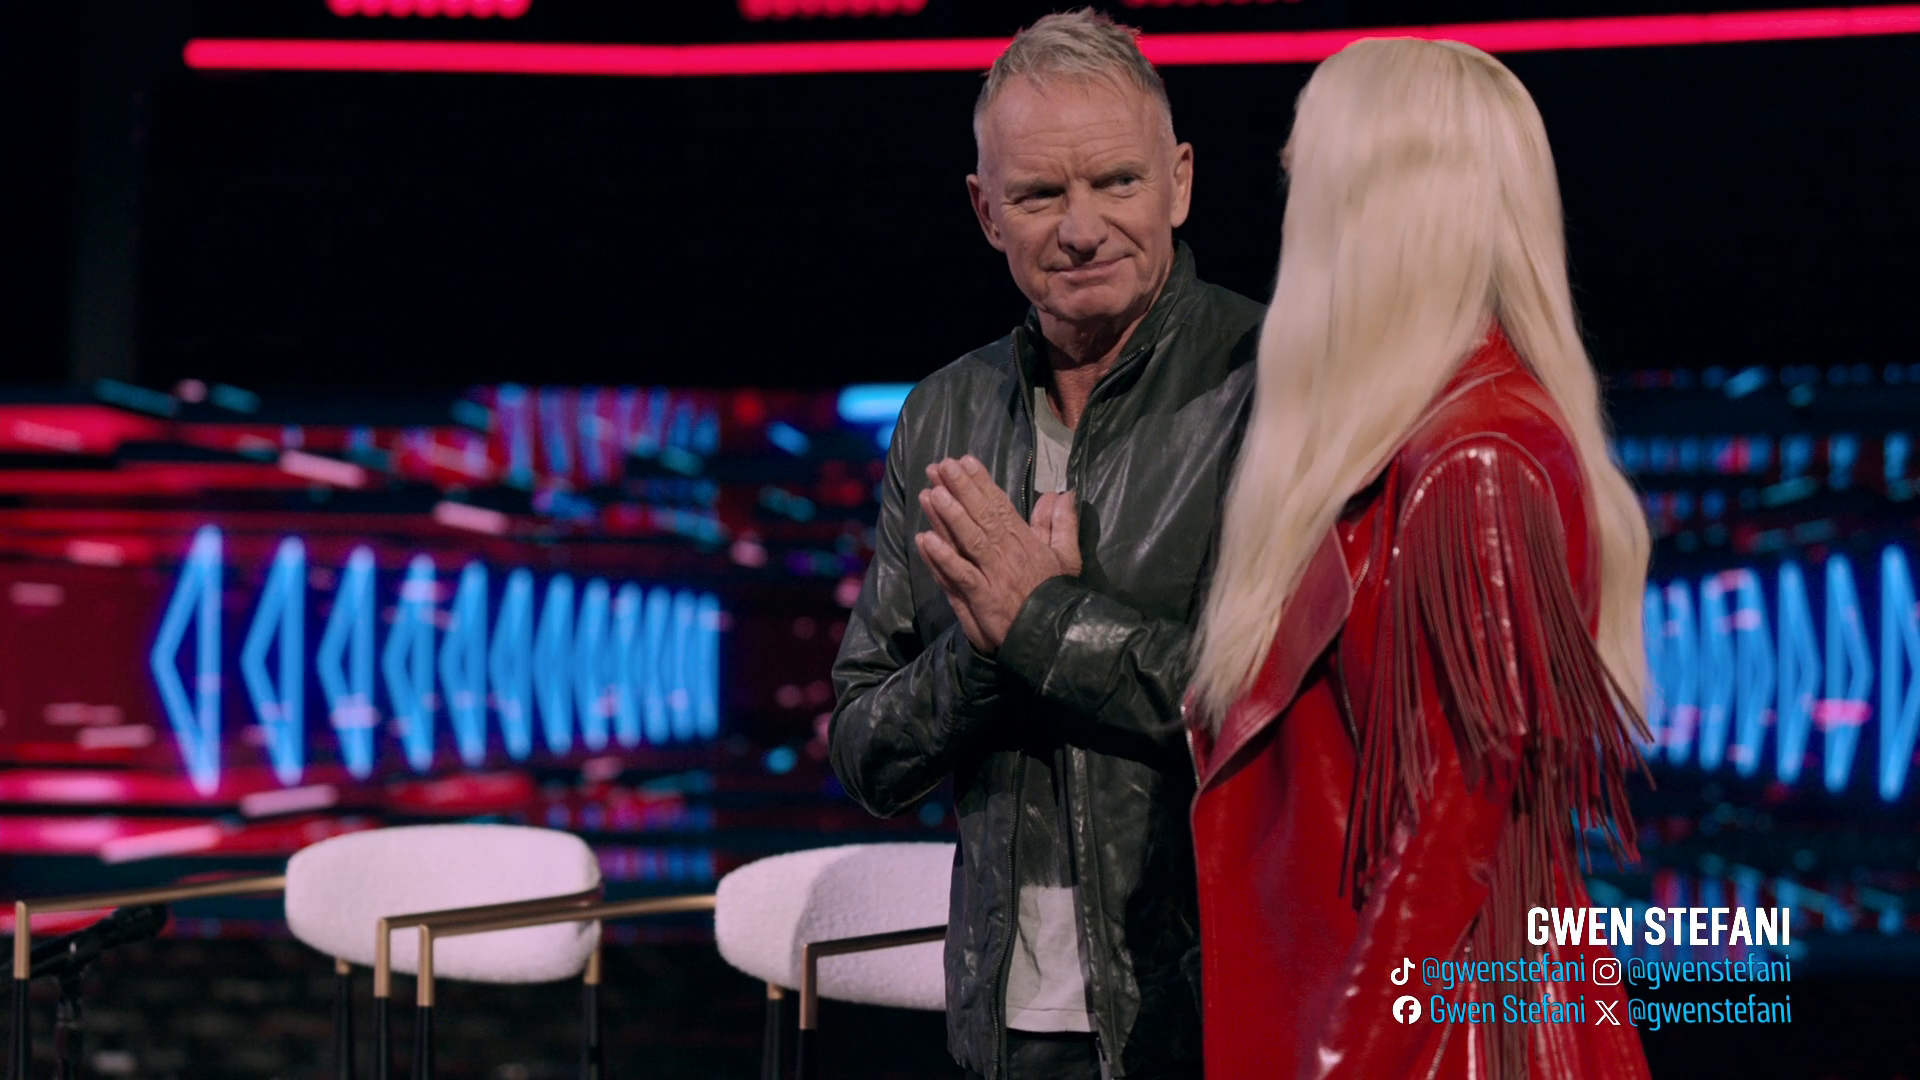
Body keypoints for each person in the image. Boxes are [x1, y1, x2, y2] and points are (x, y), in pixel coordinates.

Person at [1184, 38, 1653, 1080]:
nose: (1291, 208)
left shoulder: (1474, 460)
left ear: (1382, 211)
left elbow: (1452, 823)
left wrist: (1344, 1064)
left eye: (1310, 179)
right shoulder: (1430, 448)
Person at [828, 10, 1263, 1080]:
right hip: (1004, 1029)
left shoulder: (1276, 382)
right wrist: (986, 653)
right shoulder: (941, 412)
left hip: (1216, 1011)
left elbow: (1275, 715)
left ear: (1180, 182)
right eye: (1038, 195)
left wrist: (1040, 620)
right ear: (987, 211)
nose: (1081, 228)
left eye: (1116, 182)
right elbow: (866, 750)